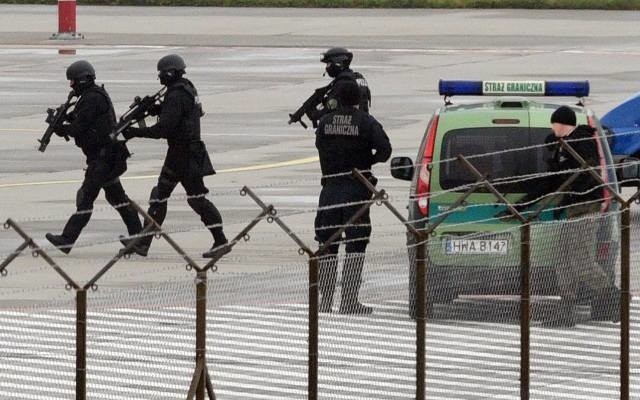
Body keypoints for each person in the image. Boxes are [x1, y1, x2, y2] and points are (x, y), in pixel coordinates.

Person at [498, 105, 620, 326]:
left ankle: (614, 299)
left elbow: (585, 174)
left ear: (561, 124)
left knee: (581, 260)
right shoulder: (563, 146)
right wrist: (521, 205)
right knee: (562, 261)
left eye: (553, 123)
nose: (552, 127)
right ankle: (565, 310)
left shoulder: (582, 141)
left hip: (585, 208)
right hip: (573, 209)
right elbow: (551, 182)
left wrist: (564, 197)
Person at [122, 54, 229, 259]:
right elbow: (182, 114)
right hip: (187, 153)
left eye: (162, 74)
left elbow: (164, 129)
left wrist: (135, 132)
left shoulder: (176, 94)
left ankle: (221, 240)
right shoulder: (186, 88)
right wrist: (157, 108)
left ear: (170, 73)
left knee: (186, 199)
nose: (160, 78)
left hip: (183, 155)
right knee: (170, 197)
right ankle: (143, 243)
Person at [45, 60, 144, 255]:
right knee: (117, 198)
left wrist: (60, 128)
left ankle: (67, 239)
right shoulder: (91, 96)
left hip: (103, 159)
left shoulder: (92, 98)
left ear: (82, 80)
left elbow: (78, 128)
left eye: (73, 81)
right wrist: (63, 118)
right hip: (105, 157)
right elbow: (83, 120)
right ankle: (138, 237)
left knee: (86, 198)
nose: (71, 85)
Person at [314, 80, 392, 314]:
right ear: (358, 99)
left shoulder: (325, 122)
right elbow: (385, 151)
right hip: (357, 189)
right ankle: (349, 300)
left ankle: (325, 301)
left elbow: (320, 146)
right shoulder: (366, 122)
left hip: (329, 189)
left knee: (327, 244)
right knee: (356, 244)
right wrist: (366, 160)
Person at [289, 47, 371, 128]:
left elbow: (329, 109)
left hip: (347, 129)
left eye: (329, 64)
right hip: (361, 124)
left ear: (338, 63)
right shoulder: (356, 77)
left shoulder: (343, 83)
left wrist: (314, 113)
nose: (327, 68)